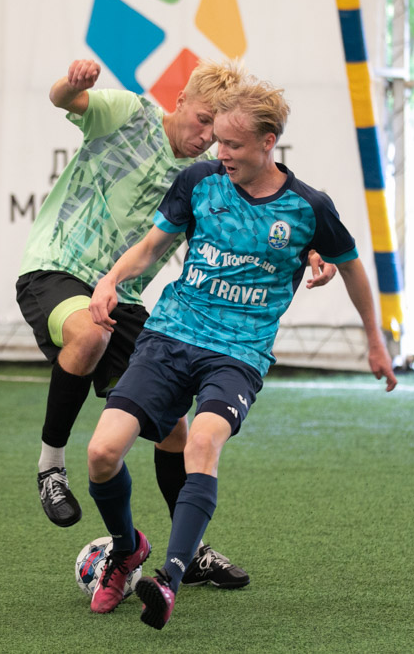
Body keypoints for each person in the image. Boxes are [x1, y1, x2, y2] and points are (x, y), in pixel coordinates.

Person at [84, 79, 398, 626]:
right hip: (171, 334)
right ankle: (126, 549)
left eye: (232, 144)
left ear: (268, 142)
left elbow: (351, 267)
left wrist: (375, 340)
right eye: (218, 141)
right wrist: (110, 279)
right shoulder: (198, 181)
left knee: (202, 441)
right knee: (101, 454)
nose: (220, 151)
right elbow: (153, 245)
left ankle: (169, 579)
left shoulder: (309, 208)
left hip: (238, 353)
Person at [18, 58, 334, 589]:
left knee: (174, 430)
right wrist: (70, 85)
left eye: (219, 129)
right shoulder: (130, 114)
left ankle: (191, 552)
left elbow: (260, 225)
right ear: (181, 100)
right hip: (57, 267)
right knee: (90, 334)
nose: (209, 137)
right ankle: (51, 466)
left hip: (126, 295)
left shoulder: (211, 174)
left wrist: (311, 254)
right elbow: (64, 101)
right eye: (203, 120)